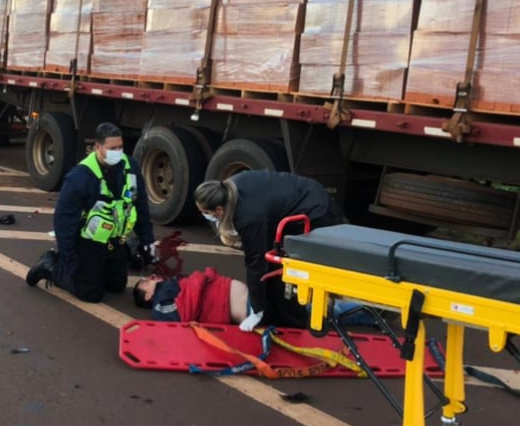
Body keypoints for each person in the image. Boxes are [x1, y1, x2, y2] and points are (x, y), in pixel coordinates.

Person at [193, 170, 345, 331]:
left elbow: (256, 263)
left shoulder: (248, 217)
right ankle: (291, 317)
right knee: (275, 273)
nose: (206, 217)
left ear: (219, 210)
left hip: (314, 212)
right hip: (304, 196)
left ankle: (306, 322)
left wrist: (257, 311)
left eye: (207, 213)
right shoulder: (231, 186)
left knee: (287, 274)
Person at [25, 122, 155, 302]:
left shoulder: (130, 166)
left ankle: (106, 265)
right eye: (112, 148)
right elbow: (64, 221)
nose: (117, 152)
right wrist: (68, 258)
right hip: (89, 241)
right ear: (98, 147)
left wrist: (147, 239)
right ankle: (50, 266)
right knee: (90, 294)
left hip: (115, 239)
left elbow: (140, 205)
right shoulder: (80, 176)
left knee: (116, 286)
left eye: (120, 147)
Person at [132, 267, 374, 327]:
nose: (154, 277)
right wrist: (201, 277)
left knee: (306, 303)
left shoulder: (173, 287)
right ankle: (370, 313)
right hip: (249, 308)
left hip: (252, 300)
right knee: (311, 311)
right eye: (148, 280)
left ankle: (367, 310)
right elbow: (184, 313)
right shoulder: (162, 303)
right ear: (148, 294)